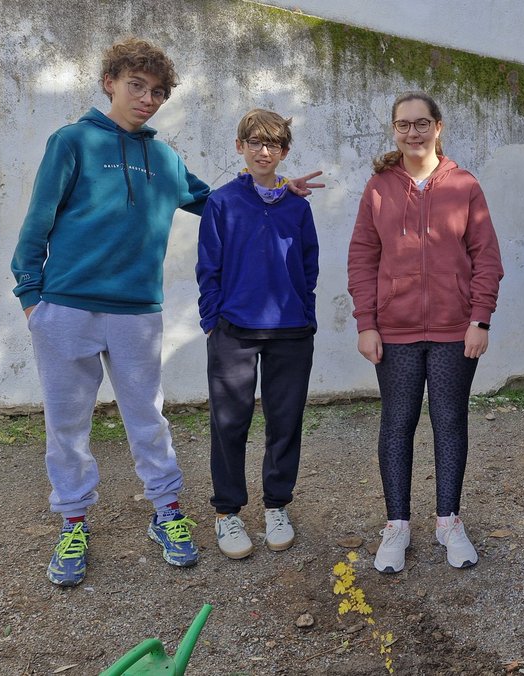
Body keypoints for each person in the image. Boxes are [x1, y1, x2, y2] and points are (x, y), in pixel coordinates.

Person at [11, 38, 321, 587]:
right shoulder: (72, 142)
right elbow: (38, 220)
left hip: (137, 312)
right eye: (136, 86)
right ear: (110, 82)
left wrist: (274, 190)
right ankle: (74, 523)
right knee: (66, 426)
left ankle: (167, 514)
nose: (147, 99)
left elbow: (219, 202)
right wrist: (31, 297)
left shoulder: (164, 157)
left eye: (157, 91)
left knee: (148, 418)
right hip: (65, 307)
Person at [348, 92, 504, 574]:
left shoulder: (464, 185)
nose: (412, 133)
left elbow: (487, 259)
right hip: (393, 331)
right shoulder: (378, 186)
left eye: (421, 124)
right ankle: (397, 525)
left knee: (449, 421)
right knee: (397, 423)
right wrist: (366, 323)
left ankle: (448, 521)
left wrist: (479, 319)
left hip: (455, 331)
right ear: (394, 130)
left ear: (438, 127)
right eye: (402, 125)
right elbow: (362, 258)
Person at [196, 109, 319, 560]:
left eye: (273, 145)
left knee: (284, 423)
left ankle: (276, 506)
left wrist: (305, 313)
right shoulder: (223, 202)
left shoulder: (297, 206)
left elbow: (309, 267)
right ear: (240, 147)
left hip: (291, 331)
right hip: (234, 331)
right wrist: (213, 321)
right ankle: (228, 513)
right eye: (254, 143)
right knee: (230, 423)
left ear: (284, 151)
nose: (263, 151)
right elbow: (208, 267)